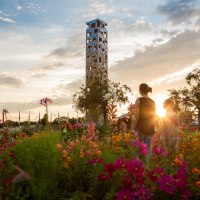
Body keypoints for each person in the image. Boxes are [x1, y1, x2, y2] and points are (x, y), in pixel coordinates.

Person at [134, 83, 156, 157]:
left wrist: (133, 127)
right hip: (150, 128)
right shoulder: (153, 102)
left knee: (137, 150)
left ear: (140, 90)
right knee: (148, 150)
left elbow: (137, 116)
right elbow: (154, 116)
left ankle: (137, 165)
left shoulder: (138, 100)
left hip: (141, 127)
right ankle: (148, 166)